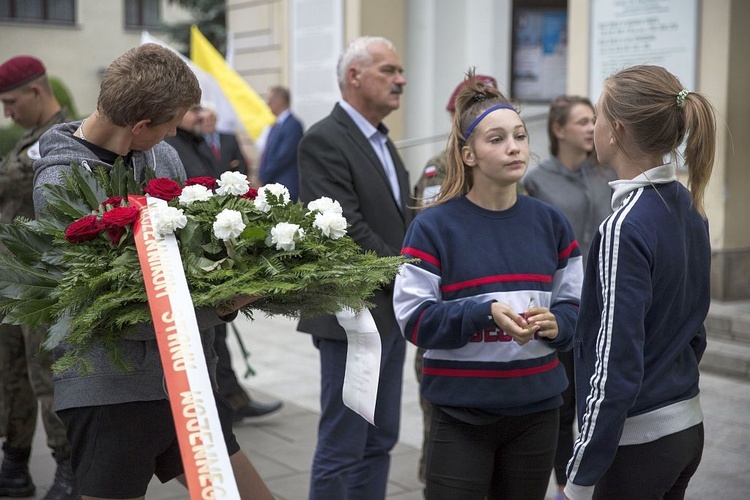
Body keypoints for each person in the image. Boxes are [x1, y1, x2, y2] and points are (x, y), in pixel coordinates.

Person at [32, 43, 273, 500]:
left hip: (186, 381)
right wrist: (220, 305)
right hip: (112, 391)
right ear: (140, 127)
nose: (172, 137)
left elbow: (191, 260)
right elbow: (102, 309)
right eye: (169, 127)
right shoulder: (61, 184)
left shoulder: (163, 160)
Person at [392, 71, 583, 499]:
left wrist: (560, 324)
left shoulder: (550, 222)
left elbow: (576, 302)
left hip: (537, 412)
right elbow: (414, 320)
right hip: (460, 413)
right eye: (496, 139)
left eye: (519, 135)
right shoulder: (433, 226)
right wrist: (483, 311)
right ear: (469, 154)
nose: (514, 146)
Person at [565, 65, 716, 500]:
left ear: (616, 131)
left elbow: (614, 361)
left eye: (595, 117)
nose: (590, 128)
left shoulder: (623, 226)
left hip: (637, 444)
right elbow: (694, 330)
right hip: (686, 426)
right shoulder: (689, 206)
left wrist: (579, 477)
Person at [296, 36, 411, 500]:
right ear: (354, 76)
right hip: (353, 317)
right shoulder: (324, 139)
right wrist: (409, 273)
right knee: (344, 446)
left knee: (379, 442)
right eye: (388, 70)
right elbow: (344, 227)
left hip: (392, 314)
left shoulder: (382, 141)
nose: (401, 79)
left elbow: (397, 218)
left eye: (399, 71)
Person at [521, 95, 617, 500]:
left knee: (598, 397)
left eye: (593, 120)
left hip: (608, 300)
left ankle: (593, 478)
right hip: (565, 305)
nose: (590, 127)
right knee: (564, 403)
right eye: (582, 121)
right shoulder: (537, 181)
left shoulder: (607, 173)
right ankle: (564, 484)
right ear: (559, 130)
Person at [166, 104, 283, 422]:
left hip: (214, 247)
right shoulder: (170, 146)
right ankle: (223, 403)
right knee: (210, 333)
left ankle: (229, 400)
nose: (201, 115)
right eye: (192, 109)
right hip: (194, 254)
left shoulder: (197, 141)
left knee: (217, 332)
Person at [411, 73, 498, 485]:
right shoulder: (440, 168)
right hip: (447, 319)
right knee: (444, 436)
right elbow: (431, 230)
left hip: (498, 323)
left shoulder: (510, 165)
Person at [0, 55, 78, 499]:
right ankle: (15, 463)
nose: (7, 113)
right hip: (12, 281)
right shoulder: (26, 140)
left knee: (48, 377)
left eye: (11, 102)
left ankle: (68, 469)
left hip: (43, 284)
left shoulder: (66, 139)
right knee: (12, 375)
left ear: (36, 90)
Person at [258, 85, 304, 201]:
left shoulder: (293, 125)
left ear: (279, 101)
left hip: (285, 185)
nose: (267, 104)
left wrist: (264, 175)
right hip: (272, 183)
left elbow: (283, 156)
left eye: (269, 100)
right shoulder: (276, 125)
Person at [201, 102, 249, 175]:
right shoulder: (196, 142)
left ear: (216, 119)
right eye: (205, 120)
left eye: (211, 118)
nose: (209, 122)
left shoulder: (230, 139)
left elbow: (241, 164)